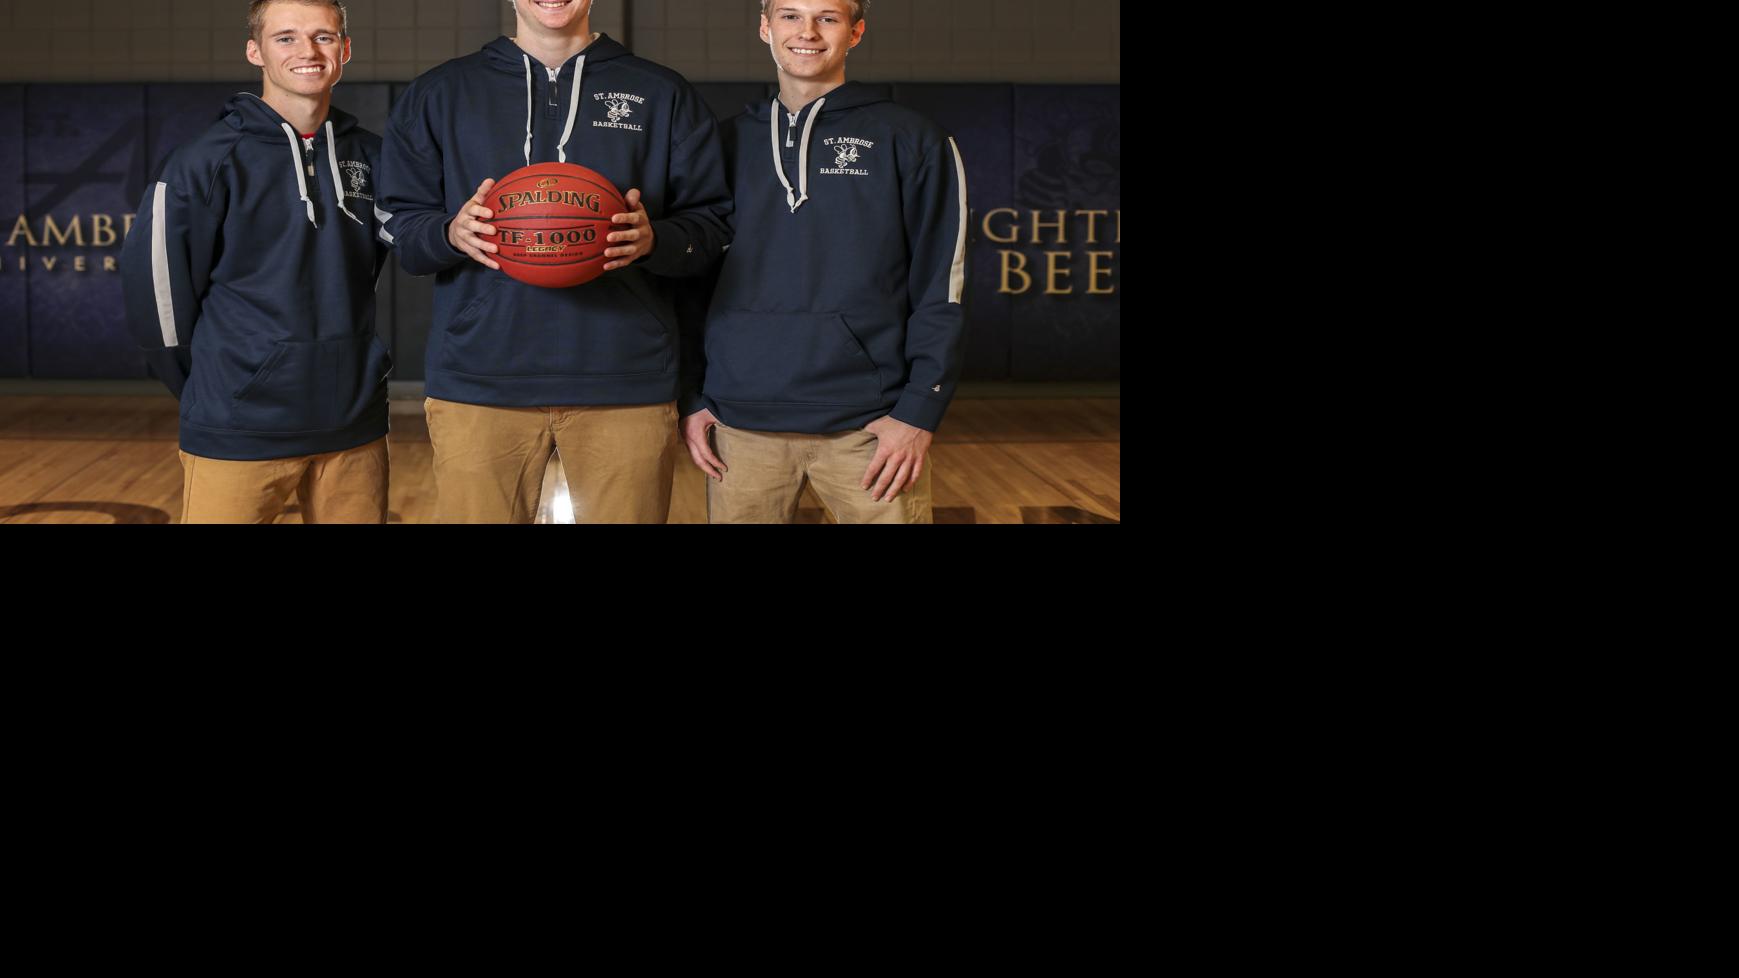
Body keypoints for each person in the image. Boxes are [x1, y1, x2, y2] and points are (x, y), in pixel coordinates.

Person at [378, 0, 732, 523]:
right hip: (480, 382)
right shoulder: (441, 92)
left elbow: (713, 227)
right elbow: (397, 222)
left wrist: (654, 240)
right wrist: (448, 232)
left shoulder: (662, 92)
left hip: (625, 381)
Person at [680, 0, 968, 524]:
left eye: (828, 18)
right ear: (765, 27)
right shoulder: (720, 143)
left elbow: (940, 284)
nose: (807, 32)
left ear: (855, 32)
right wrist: (692, 396)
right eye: (790, 15)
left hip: (870, 429)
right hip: (741, 427)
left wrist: (919, 412)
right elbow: (690, 283)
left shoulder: (910, 138)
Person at [119, 0, 394, 524]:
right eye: (285, 38)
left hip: (353, 423)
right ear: (256, 51)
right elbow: (156, 298)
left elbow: (419, 244)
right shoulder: (203, 161)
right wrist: (219, 389)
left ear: (345, 50)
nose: (307, 51)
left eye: (324, 37)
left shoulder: (375, 157)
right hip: (239, 424)